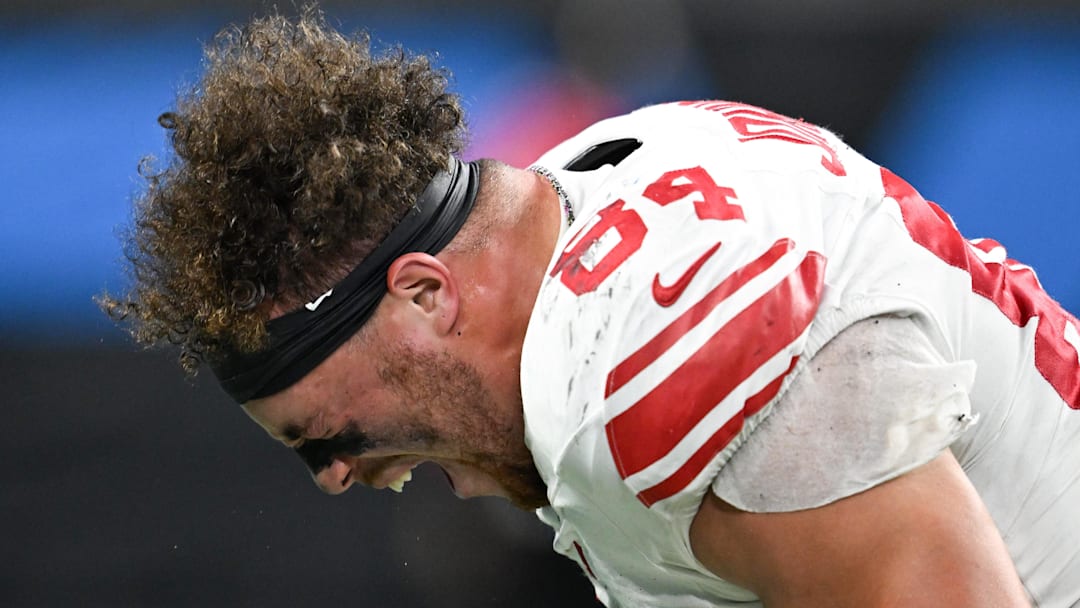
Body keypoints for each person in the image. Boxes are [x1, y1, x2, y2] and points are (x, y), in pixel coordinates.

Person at [104, 9, 1080, 607]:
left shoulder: (661, 361)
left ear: (424, 294)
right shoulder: (613, 167)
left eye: (326, 434)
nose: (336, 476)